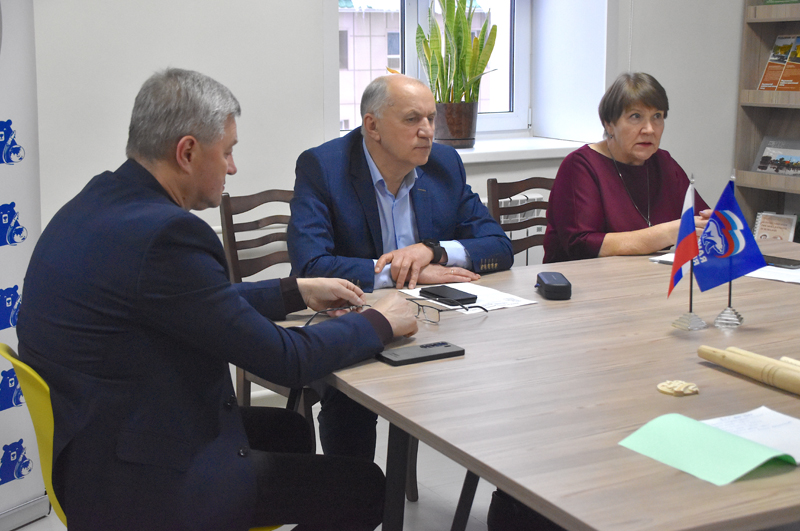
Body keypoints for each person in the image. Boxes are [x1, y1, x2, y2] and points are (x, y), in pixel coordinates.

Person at [16, 68, 419, 531]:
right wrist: (379, 321)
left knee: (290, 430)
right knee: (364, 486)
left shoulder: (98, 202)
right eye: (227, 151)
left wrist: (294, 291)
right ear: (187, 152)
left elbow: (193, 301)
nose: (232, 168)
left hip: (96, 446)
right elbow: (287, 360)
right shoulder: (168, 234)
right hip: (145, 482)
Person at [286, 74, 513, 461]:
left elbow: (499, 247)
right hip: (354, 319)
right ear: (372, 126)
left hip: (431, 319)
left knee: (502, 367)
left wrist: (432, 251)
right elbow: (311, 266)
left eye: (431, 118)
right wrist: (402, 273)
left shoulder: (443, 164)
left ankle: (506, 479)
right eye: (412, 119)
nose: (428, 131)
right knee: (351, 397)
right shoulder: (323, 167)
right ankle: (354, 491)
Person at [543, 72, 710, 263]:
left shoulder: (663, 162)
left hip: (646, 275)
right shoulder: (581, 166)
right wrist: (667, 233)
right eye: (635, 116)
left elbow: (700, 220)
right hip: (581, 277)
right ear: (609, 124)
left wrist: (714, 223)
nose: (649, 129)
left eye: (657, 116)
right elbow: (581, 244)